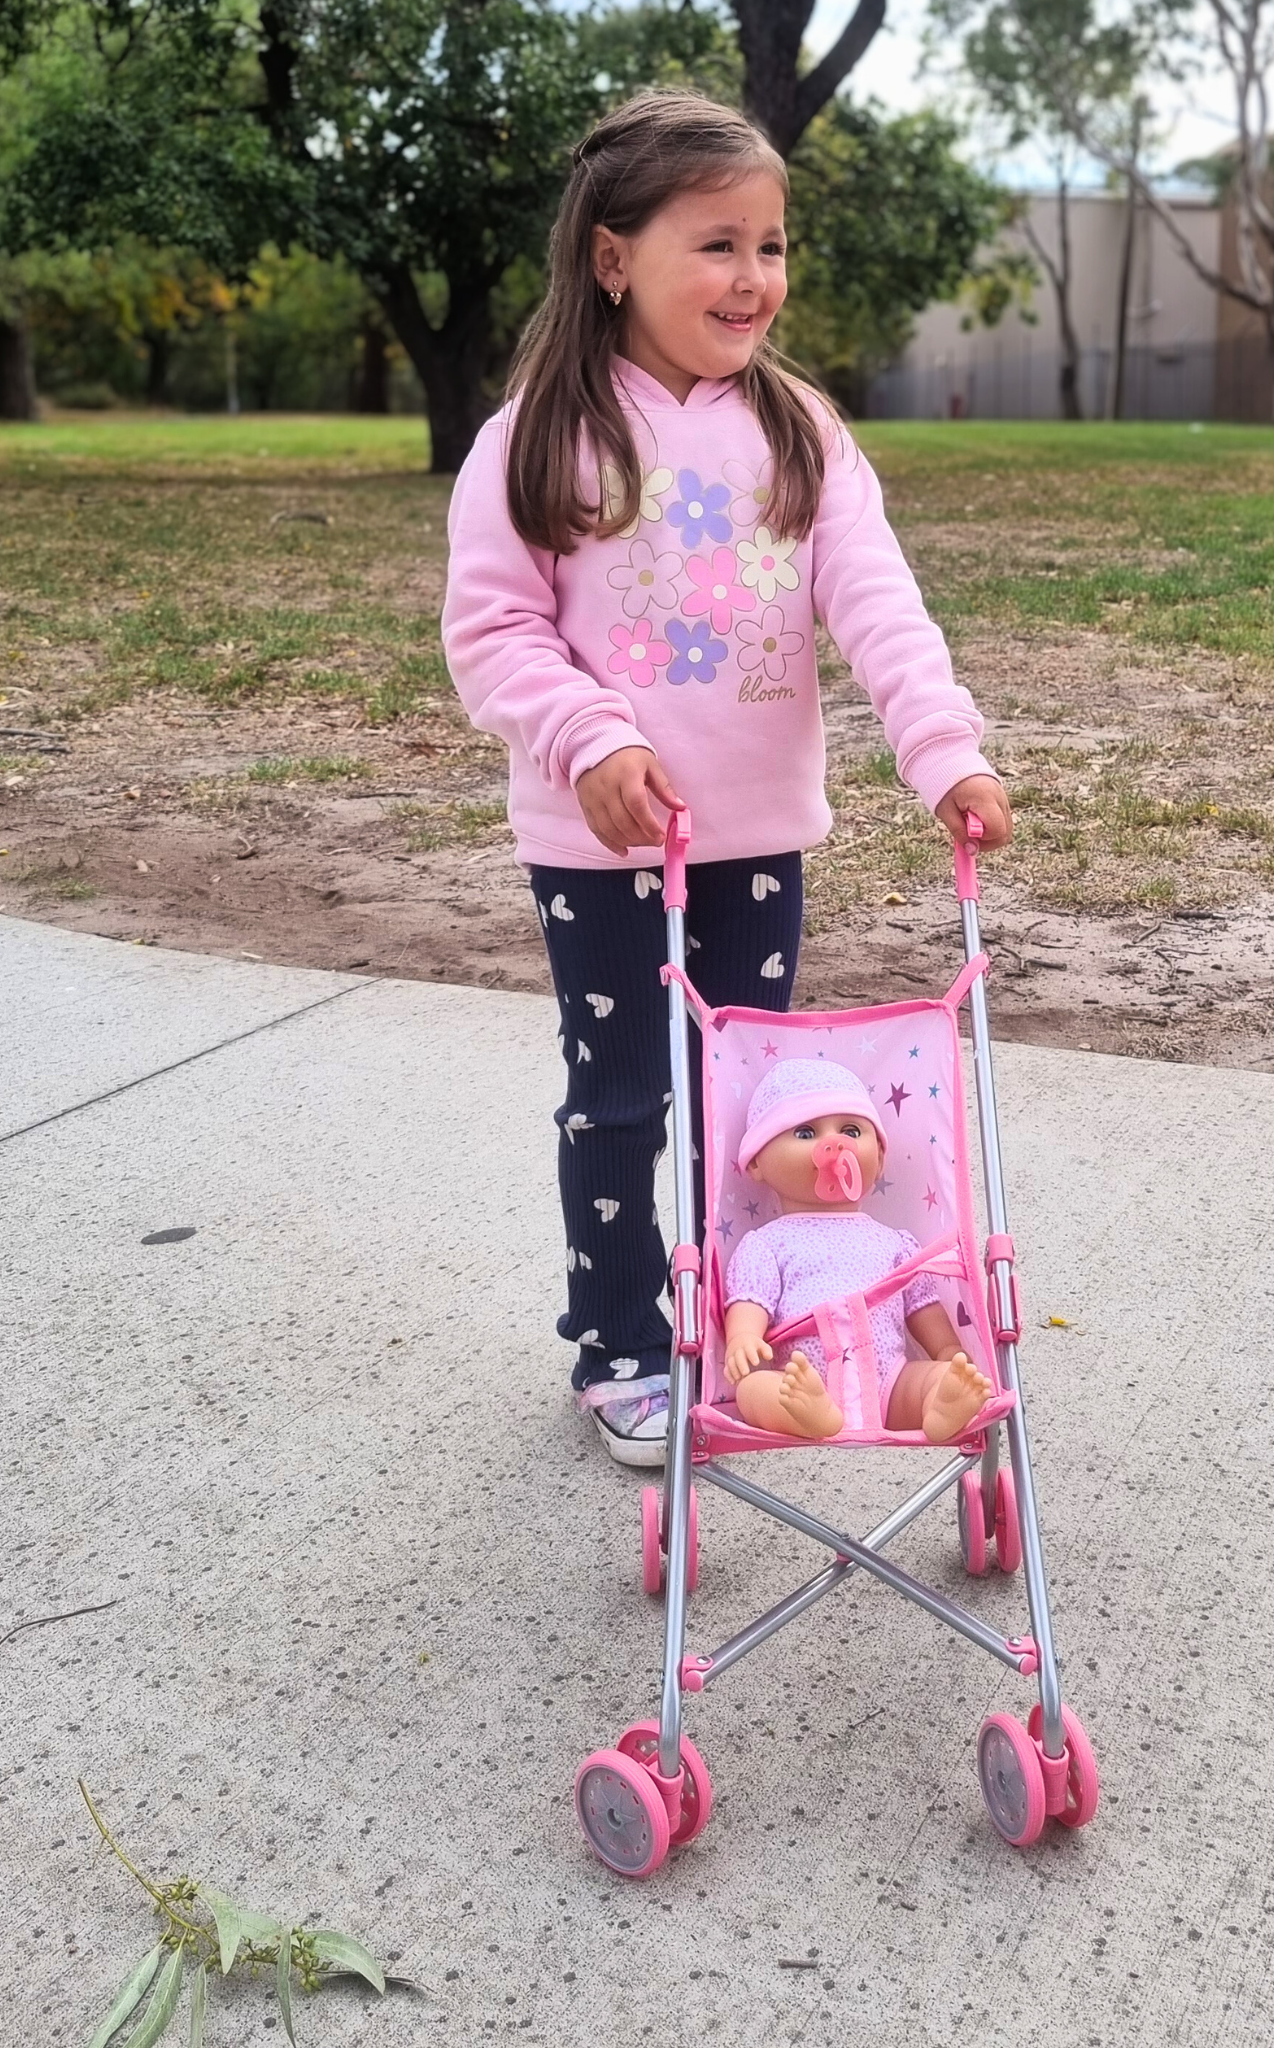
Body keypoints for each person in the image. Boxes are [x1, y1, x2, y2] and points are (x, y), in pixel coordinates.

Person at [440, 89, 1011, 1467]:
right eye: (717, 244)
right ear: (613, 255)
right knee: (624, 1100)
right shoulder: (539, 437)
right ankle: (626, 1346)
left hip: (755, 842)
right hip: (600, 853)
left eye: (771, 245)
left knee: (740, 1113)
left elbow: (878, 604)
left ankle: (746, 1328)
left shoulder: (801, 433)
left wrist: (943, 750)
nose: (753, 278)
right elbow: (491, 631)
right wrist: (592, 740)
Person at [723, 1060, 991, 1443]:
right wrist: (742, 1338)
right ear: (757, 1164)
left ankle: (939, 1406)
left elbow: (921, 1305)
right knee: (752, 1391)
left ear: (879, 1159)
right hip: (802, 1381)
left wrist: (946, 1349)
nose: (834, 1146)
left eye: (851, 1131)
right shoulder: (768, 1243)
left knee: (929, 1378)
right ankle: (808, 1416)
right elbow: (750, 1301)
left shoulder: (895, 1242)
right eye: (805, 1132)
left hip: (891, 1384)